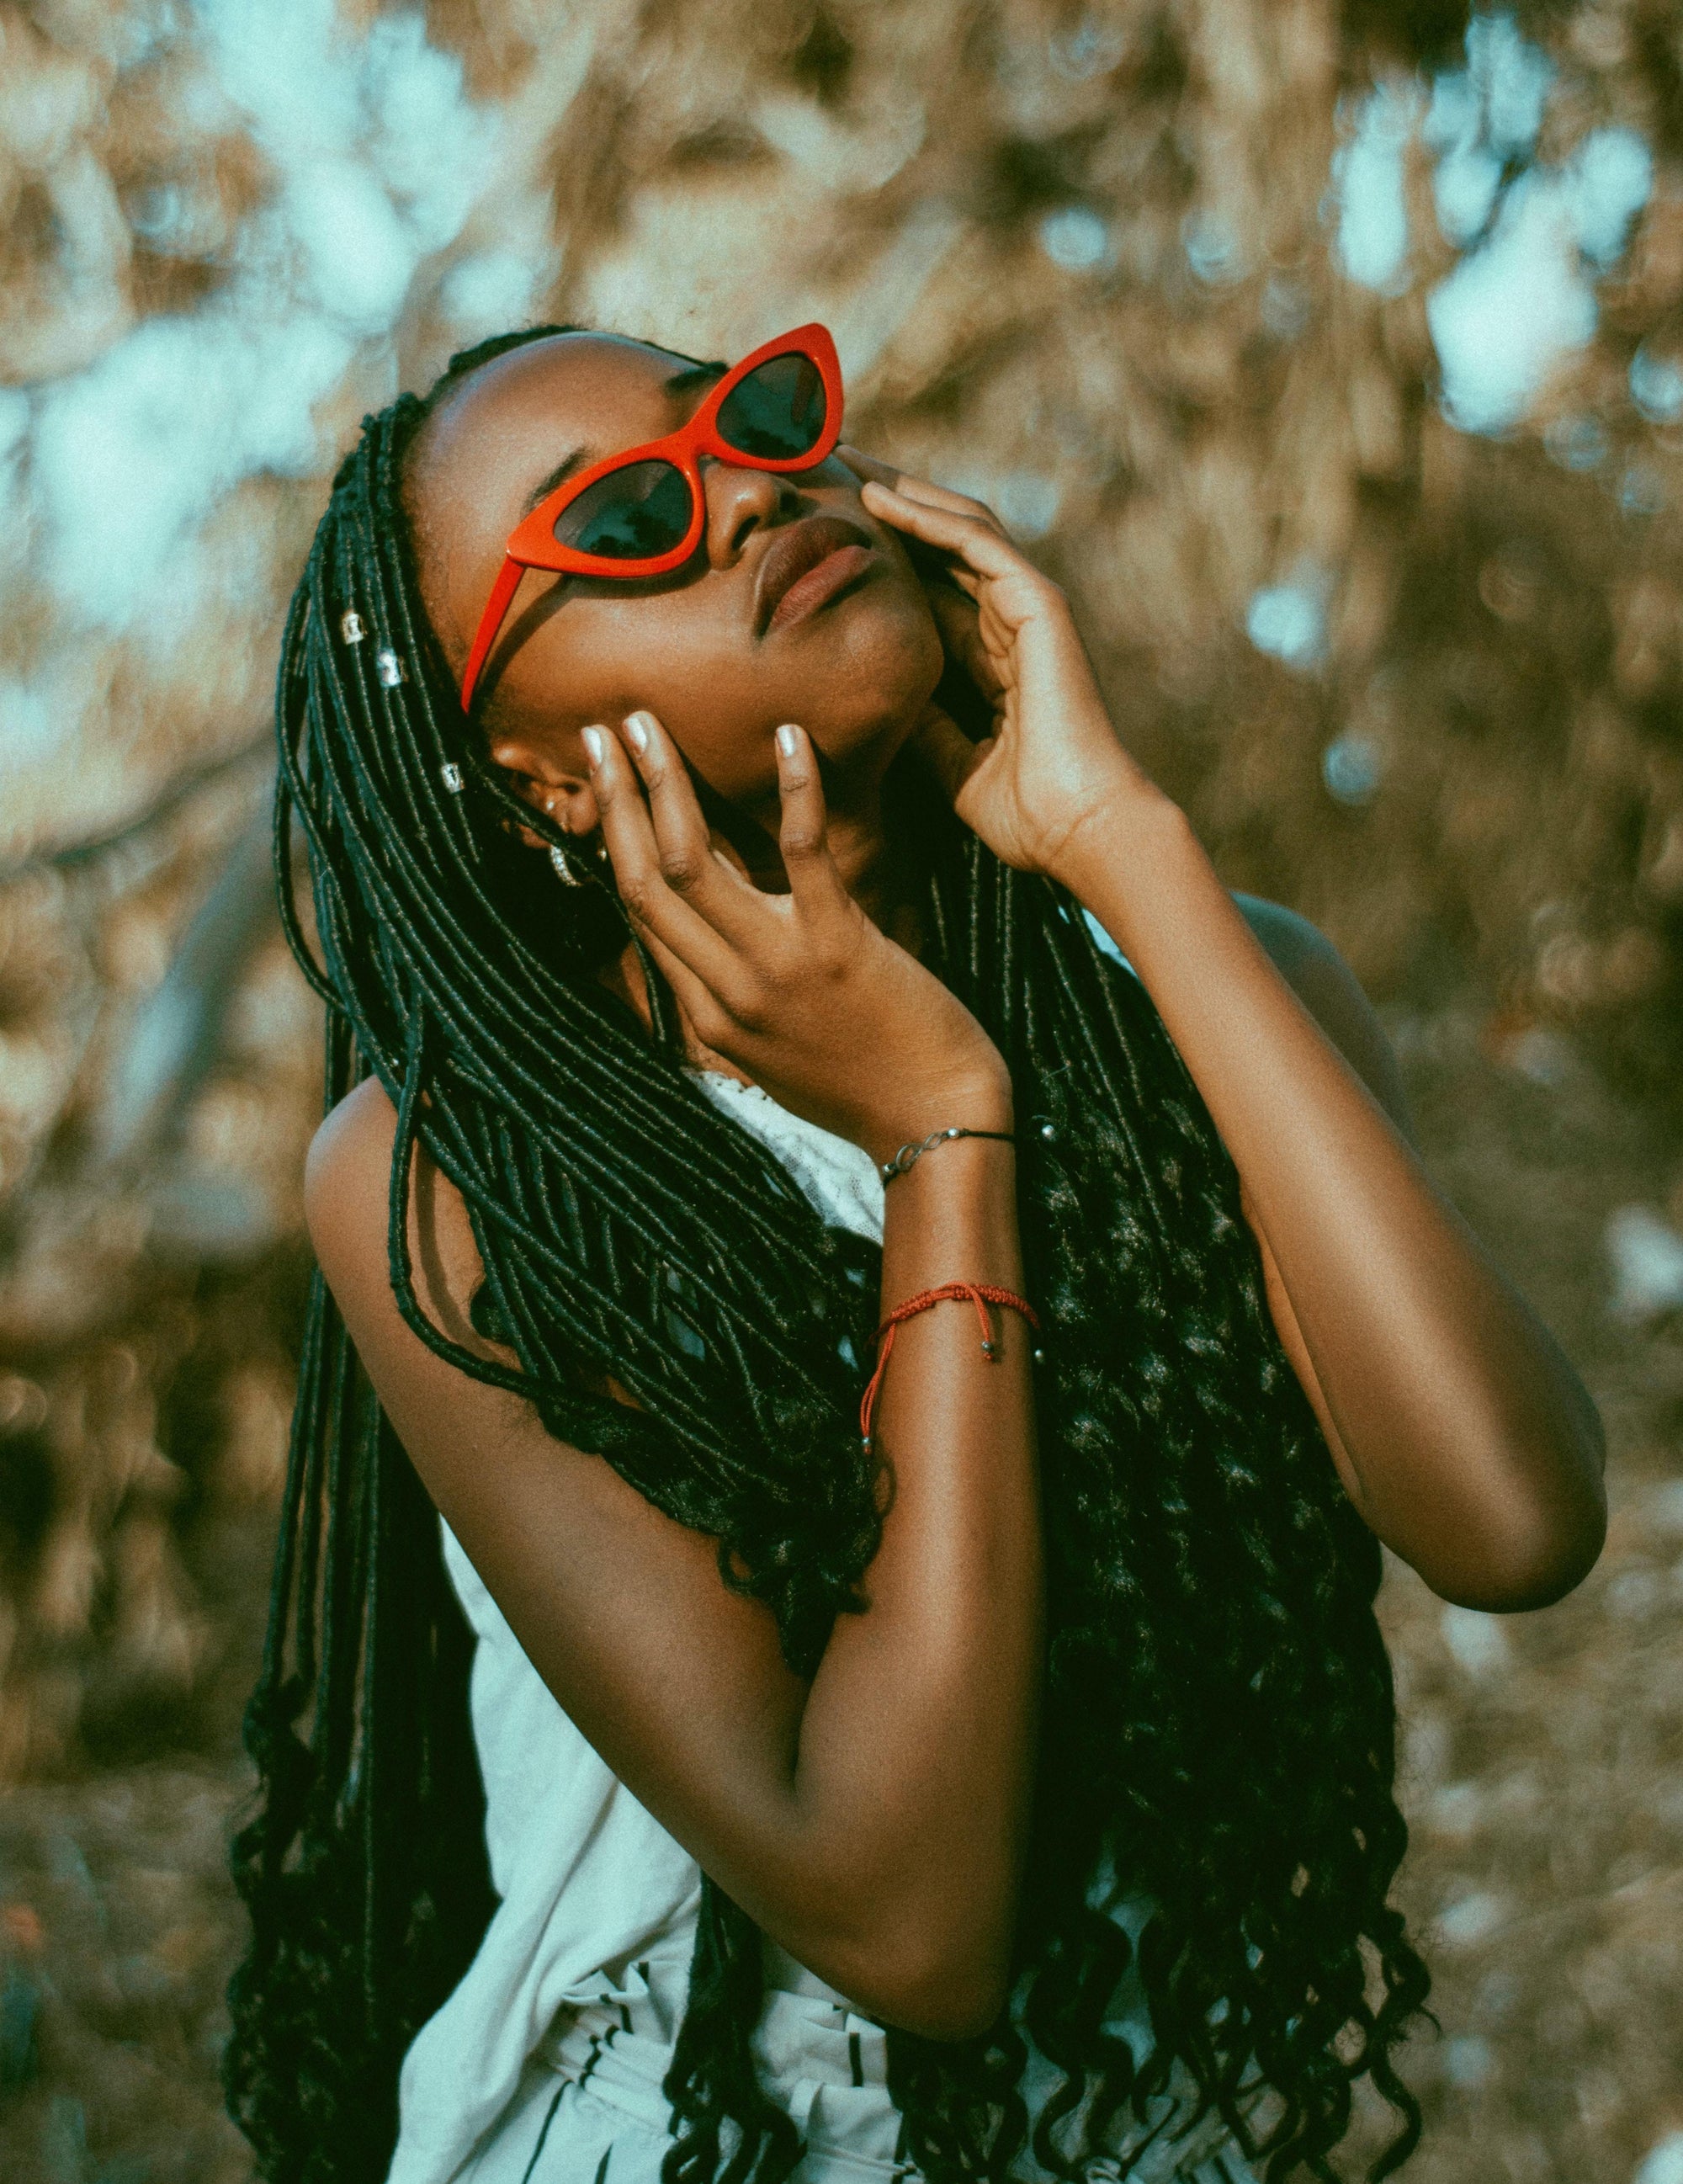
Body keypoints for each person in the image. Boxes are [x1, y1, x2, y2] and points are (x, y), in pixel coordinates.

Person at [224, 321, 1606, 2184]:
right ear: (535, 772)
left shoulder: (1217, 987)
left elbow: (1510, 1519)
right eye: (627, 514)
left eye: (756, 412)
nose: (745, 490)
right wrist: (943, 1131)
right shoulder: (466, 1172)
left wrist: (1125, 846)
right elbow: (901, 1914)